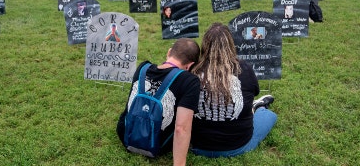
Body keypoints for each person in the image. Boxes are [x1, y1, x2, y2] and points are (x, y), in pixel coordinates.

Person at [190, 23, 277, 158]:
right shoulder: (245, 69)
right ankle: (258, 108)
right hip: (238, 146)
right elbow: (254, 91)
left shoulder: (193, 71)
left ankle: (254, 108)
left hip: (198, 146)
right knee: (268, 115)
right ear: (231, 44)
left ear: (205, 46)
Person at [117, 38, 201, 166]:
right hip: (158, 144)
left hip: (125, 135)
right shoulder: (189, 81)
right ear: (190, 65)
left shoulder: (143, 68)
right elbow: (181, 128)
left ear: (169, 53)